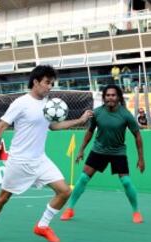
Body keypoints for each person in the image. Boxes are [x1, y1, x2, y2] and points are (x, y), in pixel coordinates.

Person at [0, 65, 93, 242]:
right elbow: (1, 126)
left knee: (64, 191)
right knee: (3, 198)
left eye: (52, 83)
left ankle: (42, 226)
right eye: (47, 82)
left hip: (40, 160)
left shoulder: (49, 104)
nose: (49, 86)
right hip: (19, 161)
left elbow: (53, 126)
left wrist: (80, 120)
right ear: (36, 82)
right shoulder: (21, 103)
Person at [60, 85, 145, 224]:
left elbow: (137, 135)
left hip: (118, 152)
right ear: (104, 97)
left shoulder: (125, 114)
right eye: (107, 95)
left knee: (126, 181)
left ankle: (136, 211)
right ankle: (70, 209)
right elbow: (89, 132)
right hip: (98, 150)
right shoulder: (97, 113)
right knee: (82, 179)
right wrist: (81, 150)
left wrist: (141, 158)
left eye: (113, 95)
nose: (110, 97)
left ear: (118, 97)